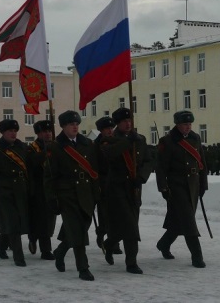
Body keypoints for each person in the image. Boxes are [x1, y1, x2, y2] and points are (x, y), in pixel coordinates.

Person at [44, 110, 99, 281]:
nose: (75, 127)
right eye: (71, 124)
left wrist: (96, 192)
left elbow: (94, 170)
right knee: (76, 231)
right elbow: (49, 176)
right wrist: (51, 198)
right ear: (63, 126)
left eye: (76, 124)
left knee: (81, 229)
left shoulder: (87, 144)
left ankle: (60, 251)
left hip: (86, 193)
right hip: (66, 193)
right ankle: (83, 267)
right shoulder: (55, 146)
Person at [100, 107, 153, 274]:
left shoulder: (140, 139)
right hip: (116, 188)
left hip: (134, 187)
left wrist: (142, 177)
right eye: (124, 121)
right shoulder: (109, 139)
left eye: (130, 120)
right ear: (117, 123)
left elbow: (148, 160)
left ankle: (109, 243)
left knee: (128, 224)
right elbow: (110, 154)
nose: (128, 123)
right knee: (130, 225)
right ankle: (131, 262)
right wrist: (128, 141)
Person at [155, 110, 208, 268]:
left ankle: (163, 244)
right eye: (185, 124)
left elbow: (202, 163)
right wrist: (163, 187)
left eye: (190, 124)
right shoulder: (167, 141)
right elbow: (161, 167)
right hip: (176, 186)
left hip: (193, 185)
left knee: (179, 222)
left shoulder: (195, 138)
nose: (188, 127)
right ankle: (197, 256)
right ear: (177, 125)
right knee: (189, 221)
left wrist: (203, 184)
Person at [0, 120, 29, 267]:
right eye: (10, 131)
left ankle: (0, 245)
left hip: (21, 191)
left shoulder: (22, 147)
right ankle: (19, 256)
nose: (13, 133)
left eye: (15, 130)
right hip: (4, 192)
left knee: (15, 222)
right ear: (3, 132)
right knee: (13, 223)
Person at [26, 120, 56, 260]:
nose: (48, 134)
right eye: (44, 131)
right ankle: (36, 241)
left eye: (49, 131)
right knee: (38, 219)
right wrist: (46, 151)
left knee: (49, 220)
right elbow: (33, 162)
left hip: (52, 188)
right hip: (37, 189)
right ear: (38, 133)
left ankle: (45, 248)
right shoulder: (32, 148)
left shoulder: (55, 146)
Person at [93, 116, 122, 255]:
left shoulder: (118, 142)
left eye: (111, 128)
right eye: (107, 129)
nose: (110, 131)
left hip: (117, 182)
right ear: (101, 130)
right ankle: (101, 233)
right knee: (105, 214)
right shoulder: (95, 145)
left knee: (116, 213)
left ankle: (114, 242)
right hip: (103, 182)